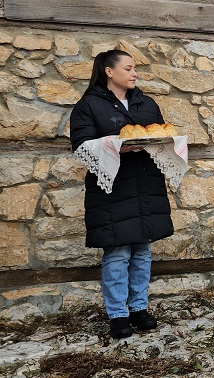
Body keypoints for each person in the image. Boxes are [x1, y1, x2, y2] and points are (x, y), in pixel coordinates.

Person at [70, 49, 174, 339]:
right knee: (117, 253)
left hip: (146, 185)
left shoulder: (146, 103)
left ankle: (139, 309)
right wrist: (118, 146)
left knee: (142, 251)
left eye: (135, 68)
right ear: (108, 71)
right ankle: (118, 315)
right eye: (128, 68)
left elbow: (160, 134)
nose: (134, 73)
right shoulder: (88, 106)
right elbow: (81, 146)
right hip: (112, 187)